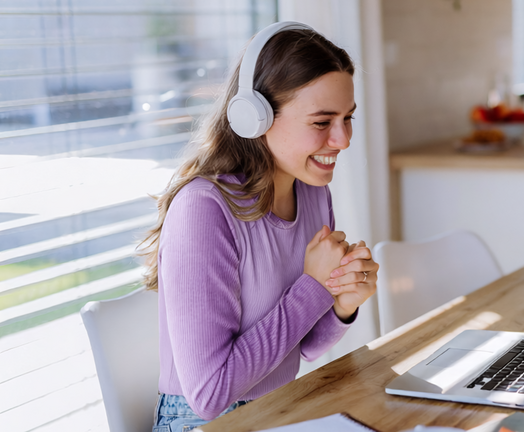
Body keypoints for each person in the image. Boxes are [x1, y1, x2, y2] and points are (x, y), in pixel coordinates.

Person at [138, 22, 378, 432]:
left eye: (347, 118)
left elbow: (301, 348)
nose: (343, 140)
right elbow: (211, 395)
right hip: (201, 423)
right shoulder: (203, 209)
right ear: (254, 117)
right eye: (322, 122)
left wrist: (342, 304)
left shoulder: (313, 191)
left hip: (279, 408)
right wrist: (315, 286)